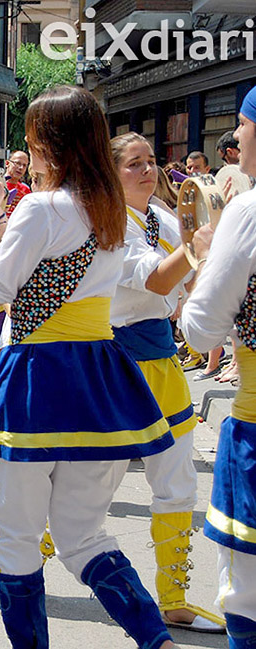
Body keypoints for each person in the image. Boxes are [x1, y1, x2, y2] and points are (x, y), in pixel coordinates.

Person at [0, 85, 176, 649]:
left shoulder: (42, 208)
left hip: (39, 376)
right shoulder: (115, 210)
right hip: (100, 373)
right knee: (84, 535)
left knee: (15, 538)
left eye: (34, 141)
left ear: (49, 146)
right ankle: (154, 637)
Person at [109, 131, 225, 633]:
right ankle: (24, 577)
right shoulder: (107, 223)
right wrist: (201, 246)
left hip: (160, 356)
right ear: (111, 173)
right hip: (115, 363)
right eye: (133, 164)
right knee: (86, 496)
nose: (147, 170)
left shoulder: (161, 216)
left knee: (177, 484)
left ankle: (173, 597)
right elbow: (156, 279)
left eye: (151, 161)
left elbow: (184, 286)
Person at [181, 85, 256, 649]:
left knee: (247, 596)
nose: (238, 138)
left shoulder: (248, 210)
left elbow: (201, 329)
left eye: (244, 126)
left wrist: (206, 258)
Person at [4, 150, 31, 218]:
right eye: (18, 163)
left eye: (24, 165)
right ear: (7, 163)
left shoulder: (25, 190)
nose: (21, 168)